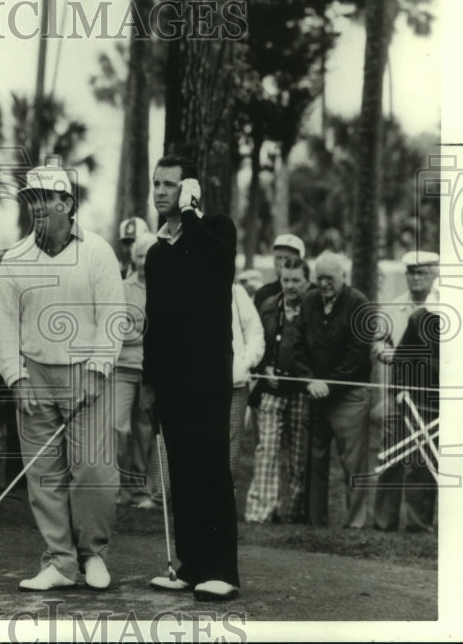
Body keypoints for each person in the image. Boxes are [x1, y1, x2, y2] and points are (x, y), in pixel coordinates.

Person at [0, 164, 125, 592]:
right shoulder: (14, 258)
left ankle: (93, 554)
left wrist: (99, 367)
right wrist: (16, 378)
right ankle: (61, 562)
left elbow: (112, 317)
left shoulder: (99, 251)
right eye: (29, 199)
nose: (35, 207)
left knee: (94, 471)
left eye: (43, 199)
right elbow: (4, 324)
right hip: (35, 375)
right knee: (43, 474)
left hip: (88, 375)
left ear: (66, 203)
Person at [143, 155, 240, 601]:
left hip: (209, 376)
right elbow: (155, 321)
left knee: (210, 469)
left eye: (170, 185)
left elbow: (213, 266)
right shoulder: (157, 251)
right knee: (181, 472)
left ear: (189, 190)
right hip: (173, 380)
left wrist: (191, 213)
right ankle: (192, 564)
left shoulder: (217, 230)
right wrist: (150, 382)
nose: (161, 191)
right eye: (157, 184)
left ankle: (222, 570)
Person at [292, 251, 373, 529]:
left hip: (348, 396)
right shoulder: (309, 301)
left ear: (343, 277)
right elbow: (298, 347)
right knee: (315, 460)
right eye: (319, 278)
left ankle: (356, 524)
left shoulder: (359, 304)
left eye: (330, 278)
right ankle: (315, 523)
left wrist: (330, 384)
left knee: (353, 462)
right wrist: (309, 380)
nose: (324, 283)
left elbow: (357, 355)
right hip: (315, 393)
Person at [245, 256, 312, 524]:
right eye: (286, 280)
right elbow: (257, 342)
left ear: (307, 281)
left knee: (298, 454)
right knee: (267, 451)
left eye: (296, 280)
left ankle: (295, 512)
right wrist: (265, 368)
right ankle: (261, 512)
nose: (290, 286)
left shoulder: (313, 307)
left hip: (300, 393)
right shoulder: (269, 306)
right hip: (271, 390)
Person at [373, 305, 441, 532]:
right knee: (392, 456)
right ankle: (384, 523)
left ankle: (418, 525)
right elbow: (401, 356)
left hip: (436, 402)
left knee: (421, 464)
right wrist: (400, 388)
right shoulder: (419, 317)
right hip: (408, 398)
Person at [114, 232, 159, 509]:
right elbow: (118, 328)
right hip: (122, 369)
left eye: (150, 255)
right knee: (118, 429)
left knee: (144, 432)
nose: (145, 261)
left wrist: (142, 331)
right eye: (141, 255)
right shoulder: (121, 287)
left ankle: (140, 491)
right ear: (133, 257)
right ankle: (119, 488)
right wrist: (149, 333)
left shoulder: (167, 287)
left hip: (151, 372)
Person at [229, 281, 264, 474]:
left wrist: (245, 363)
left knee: (230, 446)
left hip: (234, 383)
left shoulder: (236, 291)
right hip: (195, 386)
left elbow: (255, 332)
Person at [254, 233, 307, 309]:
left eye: (287, 258)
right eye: (278, 258)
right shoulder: (263, 294)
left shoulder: (312, 293)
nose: (282, 263)